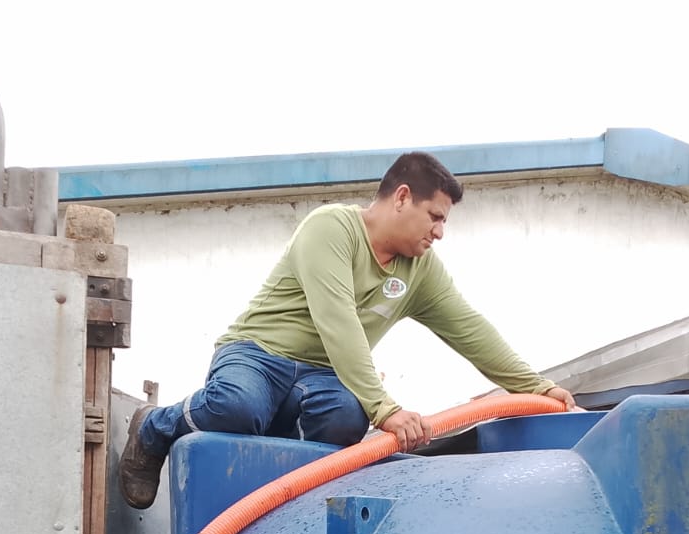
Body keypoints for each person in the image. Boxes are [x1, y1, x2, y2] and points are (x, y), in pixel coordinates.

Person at [117, 150, 575, 508]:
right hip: (259, 354)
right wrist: (385, 408)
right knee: (237, 406)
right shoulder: (331, 229)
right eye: (435, 217)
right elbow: (338, 323)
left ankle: (274, 491)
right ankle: (155, 428)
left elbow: (471, 330)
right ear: (401, 197)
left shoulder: (421, 270)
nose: (440, 232)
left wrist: (539, 387)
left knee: (344, 419)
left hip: (321, 375)